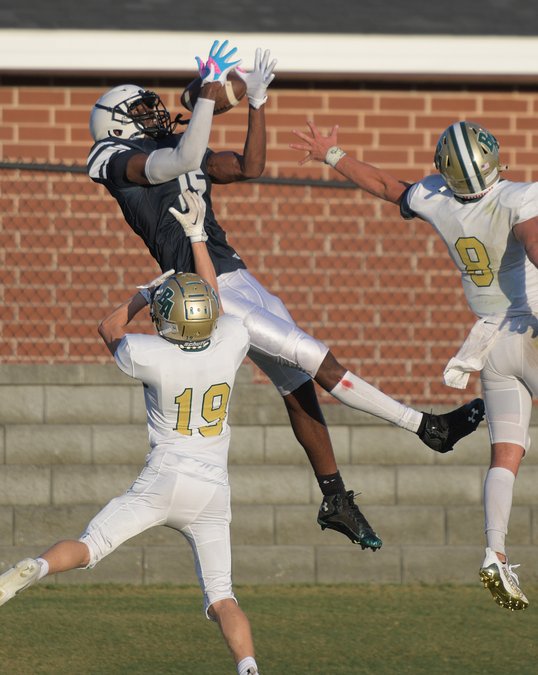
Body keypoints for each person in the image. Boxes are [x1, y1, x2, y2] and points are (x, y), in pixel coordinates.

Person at [87, 41, 485, 554]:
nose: (155, 114)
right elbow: (182, 157)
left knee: (298, 386)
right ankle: (428, 427)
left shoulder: (172, 147)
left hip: (238, 274)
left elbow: (250, 166)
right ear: (117, 125)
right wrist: (208, 95)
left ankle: (335, 498)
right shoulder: (115, 160)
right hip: (206, 285)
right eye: (141, 111)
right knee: (312, 354)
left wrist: (256, 102)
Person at [0, 191, 261, 675]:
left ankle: (37, 567)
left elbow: (109, 327)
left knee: (90, 547)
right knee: (222, 597)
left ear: (168, 322)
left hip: (164, 478)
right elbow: (215, 300)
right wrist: (198, 237)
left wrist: (144, 295)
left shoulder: (151, 354)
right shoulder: (230, 342)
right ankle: (248, 667)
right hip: (211, 488)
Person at [290, 119, 537, 611]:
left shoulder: (434, 197)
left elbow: (386, 186)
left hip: (489, 345)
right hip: (529, 330)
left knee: (506, 456)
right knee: (508, 453)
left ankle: (495, 552)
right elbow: (534, 246)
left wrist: (333, 155)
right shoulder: (519, 196)